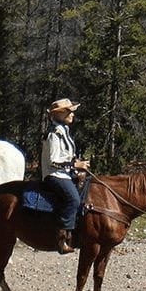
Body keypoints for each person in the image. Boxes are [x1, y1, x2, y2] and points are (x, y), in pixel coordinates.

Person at [40, 98, 90, 254]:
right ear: (61, 114)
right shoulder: (54, 134)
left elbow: (66, 155)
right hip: (55, 175)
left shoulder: (63, 131)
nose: (73, 115)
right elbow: (54, 161)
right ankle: (61, 239)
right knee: (73, 199)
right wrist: (76, 165)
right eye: (70, 112)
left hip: (65, 173)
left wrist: (77, 162)